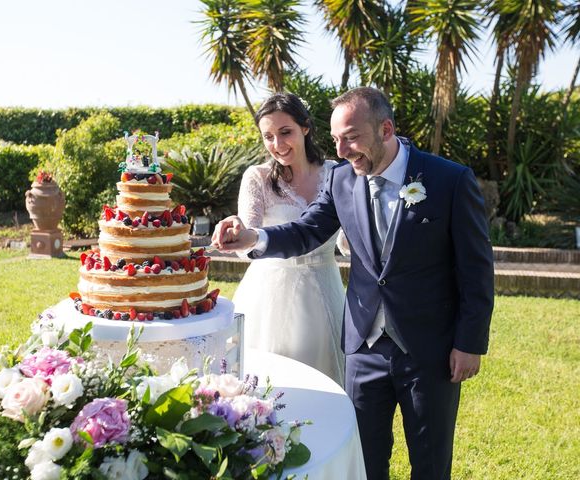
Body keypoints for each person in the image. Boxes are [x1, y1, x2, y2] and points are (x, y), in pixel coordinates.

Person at [212, 87, 495, 480]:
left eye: (352, 138)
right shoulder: (342, 179)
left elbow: (476, 270)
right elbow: (309, 229)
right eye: (336, 141)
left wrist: (469, 343)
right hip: (362, 349)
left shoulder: (449, 180)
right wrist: (254, 239)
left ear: (386, 128)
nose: (342, 151)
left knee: (430, 465)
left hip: (429, 349)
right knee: (364, 461)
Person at [232, 92, 346, 386]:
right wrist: (238, 234)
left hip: (325, 287)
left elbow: (348, 241)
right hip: (270, 295)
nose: (277, 145)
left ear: (305, 127)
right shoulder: (257, 177)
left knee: (328, 377)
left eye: (286, 132)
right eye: (268, 136)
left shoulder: (336, 173)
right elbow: (246, 242)